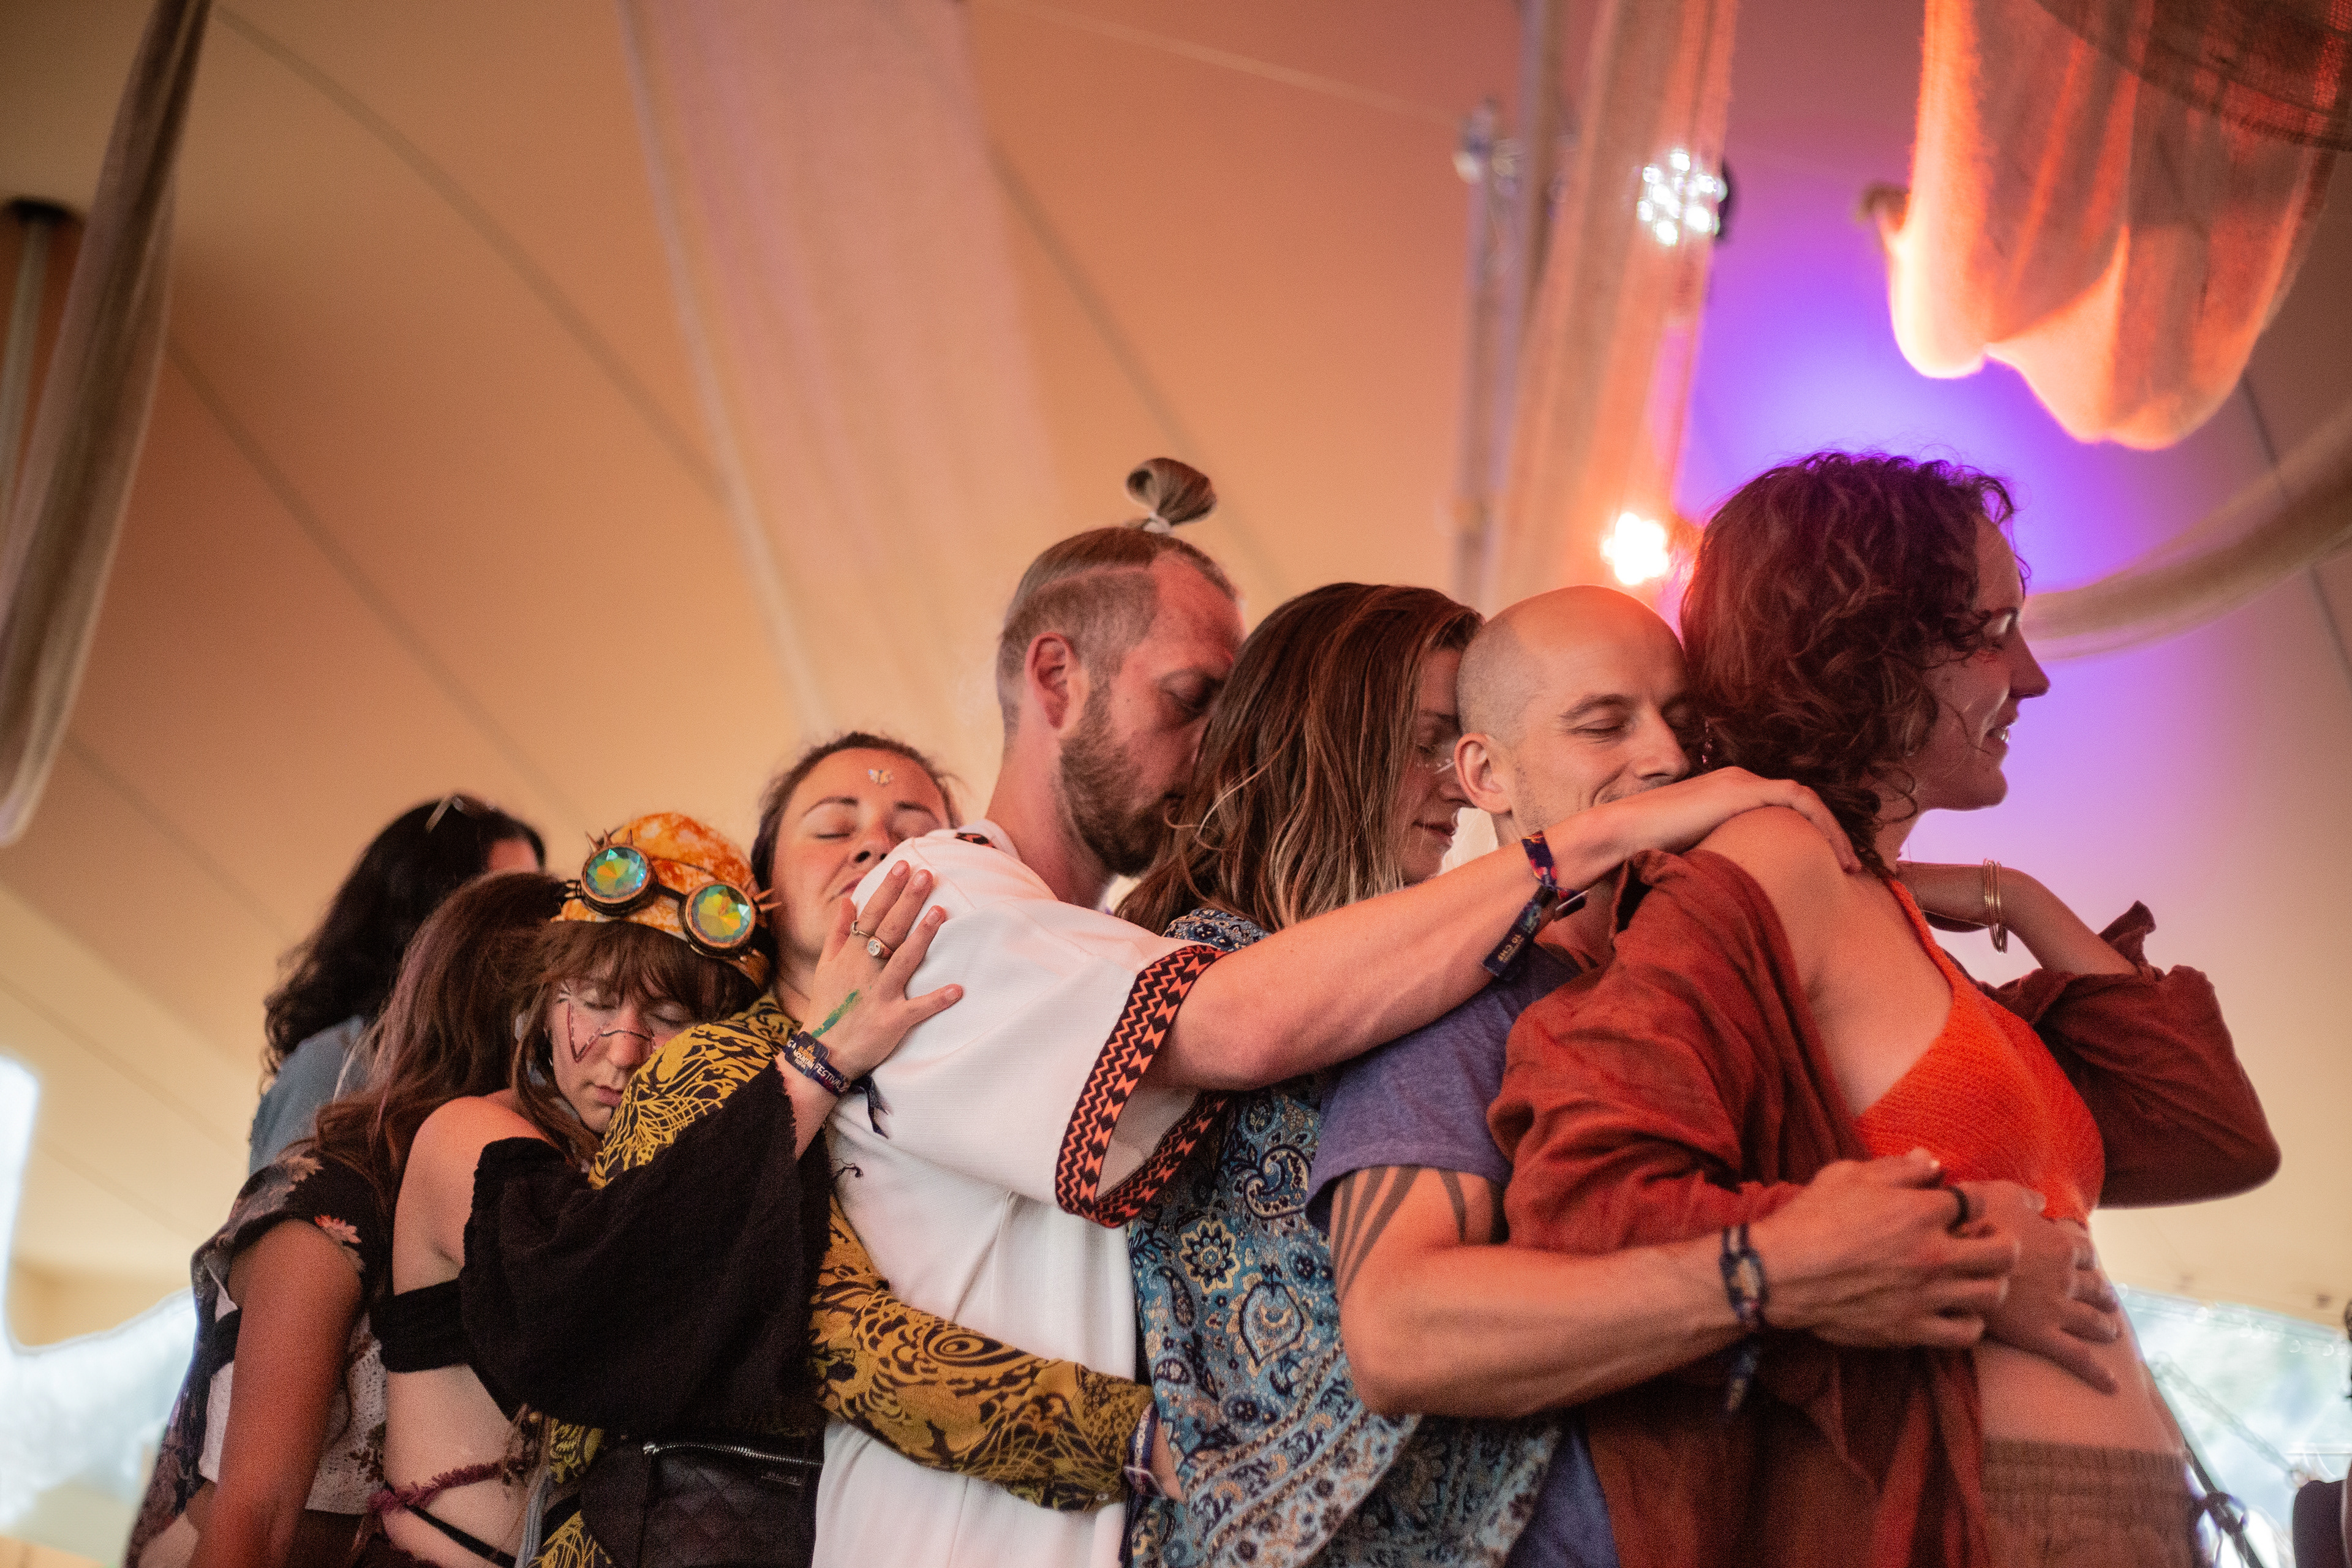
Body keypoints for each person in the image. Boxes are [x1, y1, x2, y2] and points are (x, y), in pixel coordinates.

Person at [609, 456, 1861, 1568]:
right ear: (1057, 675)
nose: (1223, 741)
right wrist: (1602, 835)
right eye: (1193, 694)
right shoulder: (938, 898)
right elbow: (1238, 1023)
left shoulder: (1111, 942)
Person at [1493, 453, 2280, 1568]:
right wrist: (1954, 1246)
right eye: (1994, 630)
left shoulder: (1877, 905)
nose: (2032, 676)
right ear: (1868, 646)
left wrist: (2018, 898)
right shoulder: (1767, 868)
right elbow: (1585, 1198)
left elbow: (2208, 1134)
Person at [1307, 585, 2127, 1568]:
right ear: (1486, 773)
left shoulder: (1735, 970)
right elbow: (1399, 1334)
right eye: (1603, 725)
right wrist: (1891, 1263)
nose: (1663, 757)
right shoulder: (1459, 1009)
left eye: (1683, 723)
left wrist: (2004, 897)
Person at [507, 742, 1178, 1568]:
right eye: (833, 828)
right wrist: (1139, 1437)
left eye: (916, 829)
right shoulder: (714, 1063)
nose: (875, 847)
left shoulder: (984, 1043)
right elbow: (840, 1338)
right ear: (767, 894)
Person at [368, 810, 951, 1568]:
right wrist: (818, 1063)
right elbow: (592, 1296)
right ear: (544, 1002)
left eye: (670, 1018)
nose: (624, 1049)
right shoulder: (466, 1135)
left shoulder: (653, 1158)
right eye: (595, 1000)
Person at [129, 871, 567, 1568]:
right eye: (590, 1001)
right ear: (523, 1019)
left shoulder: (531, 1212)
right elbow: (257, 1516)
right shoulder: (333, 1201)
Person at [253, 796, 544, 1170]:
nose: (536, 927)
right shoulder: (332, 1064)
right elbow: (284, 1200)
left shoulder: (519, 1071)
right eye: (499, 900)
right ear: (430, 917)